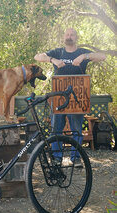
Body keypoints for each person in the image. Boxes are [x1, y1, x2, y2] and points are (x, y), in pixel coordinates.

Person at [34, 28, 106, 166]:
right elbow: (37, 57)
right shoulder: (57, 52)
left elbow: (103, 56)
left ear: (76, 37)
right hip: (58, 96)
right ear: (63, 37)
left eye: (72, 34)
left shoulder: (81, 52)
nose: (69, 36)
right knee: (56, 129)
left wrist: (84, 57)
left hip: (77, 96)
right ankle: (56, 159)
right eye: (67, 34)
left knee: (76, 130)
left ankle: (76, 158)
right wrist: (52, 59)